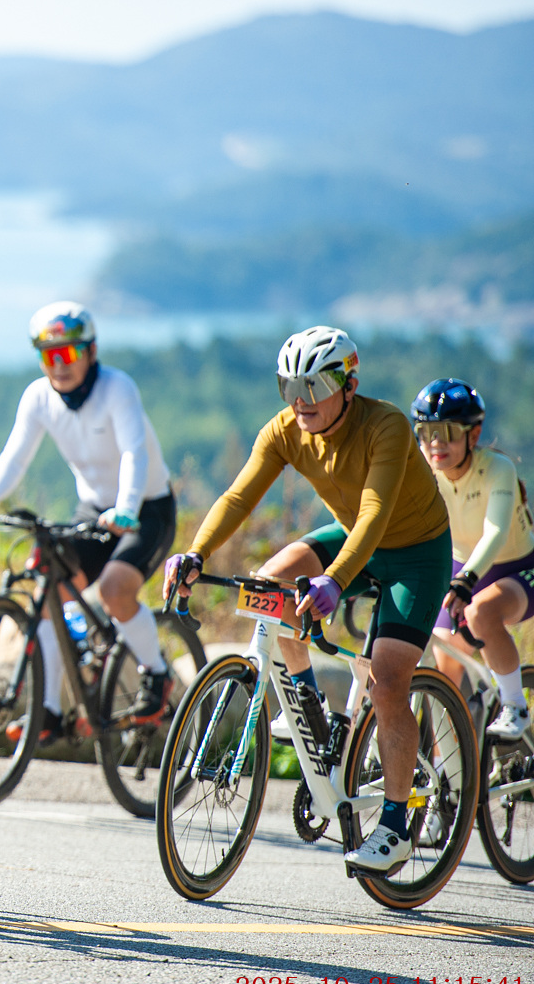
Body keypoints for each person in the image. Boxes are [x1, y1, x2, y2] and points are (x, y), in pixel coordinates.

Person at [164, 327, 451, 876]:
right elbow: (238, 496)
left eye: (315, 386)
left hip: (414, 552)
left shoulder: (386, 425)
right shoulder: (285, 430)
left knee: (389, 681)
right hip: (352, 536)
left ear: (349, 386)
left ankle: (395, 825)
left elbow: (374, 514)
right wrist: (195, 553)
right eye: (289, 386)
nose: (301, 400)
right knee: (269, 585)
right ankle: (309, 708)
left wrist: (336, 581)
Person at [0, 301, 176, 740]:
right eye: (48, 355)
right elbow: (15, 458)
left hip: (145, 509)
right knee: (49, 590)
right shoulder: (38, 397)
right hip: (92, 511)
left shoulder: (117, 388)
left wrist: (127, 508)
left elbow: (134, 452)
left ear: (91, 352)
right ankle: (48, 711)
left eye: (68, 353)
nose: (59, 365)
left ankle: (157, 673)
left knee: (114, 590)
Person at [413, 378, 533, 739]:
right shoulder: (424, 472)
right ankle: (450, 765)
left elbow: (495, 532)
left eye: (448, 432)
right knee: (444, 666)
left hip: (517, 567)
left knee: (481, 613)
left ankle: (516, 705)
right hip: (461, 569)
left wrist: (466, 580)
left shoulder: (498, 468)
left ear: (474, 434)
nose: (436, 443)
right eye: (427, 433)